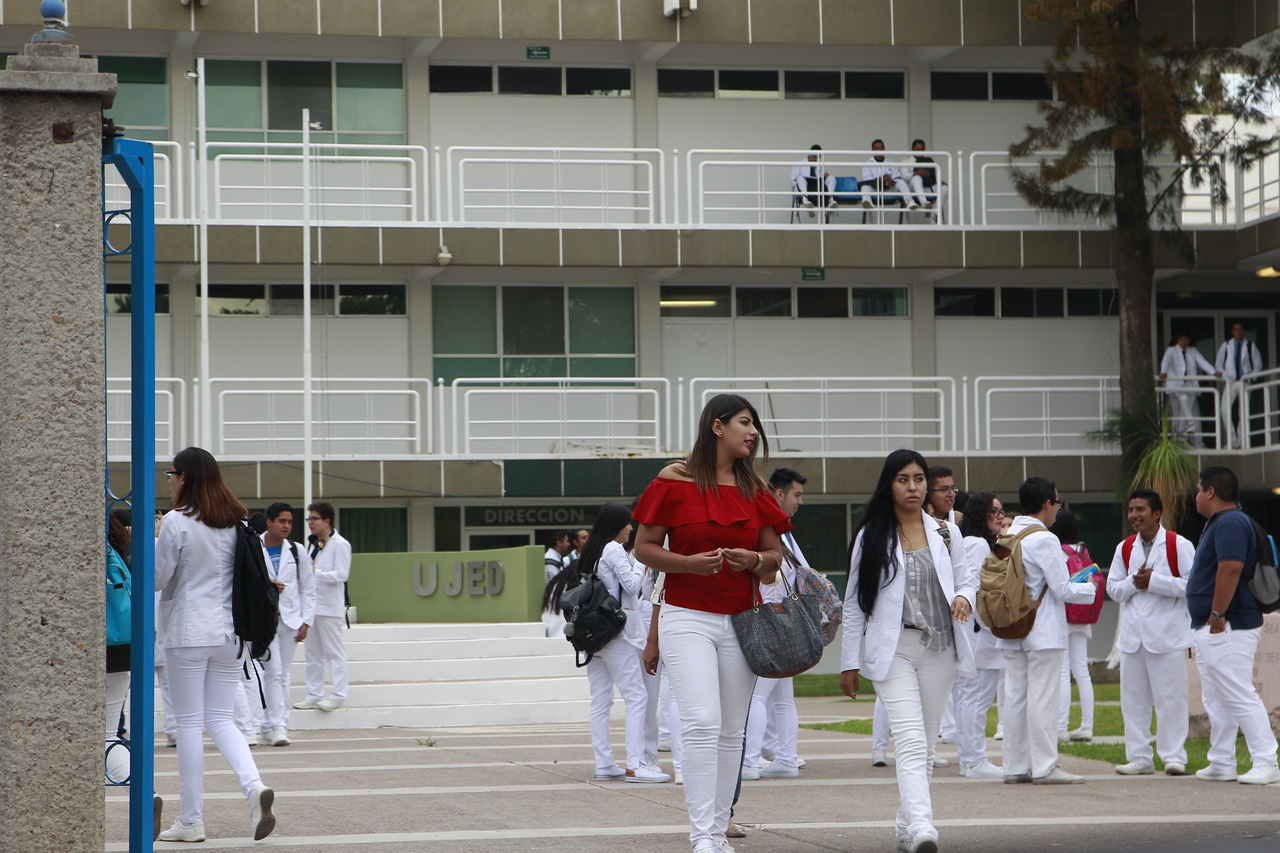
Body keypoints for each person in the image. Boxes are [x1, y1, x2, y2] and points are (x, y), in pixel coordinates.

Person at [632, 393, 789, 853]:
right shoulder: (673, 481)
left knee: (731, 731)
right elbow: (643, 547)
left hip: (742, 621)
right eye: (745, 422)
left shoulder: (756, 489)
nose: (753, 432)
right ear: (717, 427)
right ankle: (702, 836)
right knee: (702, 721)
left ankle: (718, 833)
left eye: (755, 424)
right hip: (686, 617)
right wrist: (687, 564)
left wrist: (754, 559)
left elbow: (774, 558)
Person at [840, 449, 975, 853]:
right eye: (903, 479)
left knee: (927, 745)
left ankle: (905, 826)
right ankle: (922, 828)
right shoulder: (871, 536)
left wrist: (964, 598)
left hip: (940, 648)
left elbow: (967, 579)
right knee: (912, 741)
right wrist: (849, 663)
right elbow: (854, 604)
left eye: (919, 479)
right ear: (889, 485)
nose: (912, 487)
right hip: (893, 647)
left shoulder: (946, 533)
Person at [155, 447, 276, 842]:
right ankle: (254, 787)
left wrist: (152, 541)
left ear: (185, 477)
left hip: (189, 632)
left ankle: (191, 820)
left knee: (189, 723)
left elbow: (157, 578)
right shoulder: (237, 522)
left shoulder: (177, 522)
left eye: (172, 474)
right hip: (231, 635)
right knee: (222, 719)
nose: (169, 481)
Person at [995, 477, 1099, 786]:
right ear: (1046, 504)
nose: (1057, 509)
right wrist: (1090, 588)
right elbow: (1062, 588)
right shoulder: (1044, 538)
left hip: (1011, 627)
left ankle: (1015, 766)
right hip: (1041, 630)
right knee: (1043, 698)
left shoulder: (1007, 533)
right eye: (1056, 503)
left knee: (1015, 698)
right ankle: (1044, 766)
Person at [1187, 466, 1280, 785]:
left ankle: (1266, 760)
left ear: (1211, 491)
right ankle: (1222, 760)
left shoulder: (1230, 522)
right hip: (1216, 624)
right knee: (1217, 696)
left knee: (1238, 692)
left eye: (1199, 490)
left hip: (1229, 624)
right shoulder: (1220, 522)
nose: (1196, 496)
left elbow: (1230, 568)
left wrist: (1217, 613)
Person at [578, 503, 670, 784]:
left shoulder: (592, 551)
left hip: (595, 635)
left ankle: (605, 763)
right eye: (629, 524)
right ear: (617, 525)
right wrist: (642, 559)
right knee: (637, 697)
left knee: (601, 701)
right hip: (619, 634)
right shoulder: (614, 549)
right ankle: (635, 765)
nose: (631, 529)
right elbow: (632, 586)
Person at [1105, 489, 1194, 776]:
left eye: (1140, 509)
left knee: (1171, 699)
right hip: (1133, 636)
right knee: (1133, 701)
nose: (1134, 515)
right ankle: (1139, 757)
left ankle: (1174, 755)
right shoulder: (1125, 548)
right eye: (1131, 509)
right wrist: (1134, 582)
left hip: (1167, 635)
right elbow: (1113, 589)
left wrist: (1155, 581)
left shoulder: (1178, 545)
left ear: (1157, 513)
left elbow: (1193, 586)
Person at [740, 467, 808, 781]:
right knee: (782, 698)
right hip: (786, 619)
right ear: (778, 494)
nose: (800, 501)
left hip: (769, 618)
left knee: (757, 695)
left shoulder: (773, 534)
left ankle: (750, 761)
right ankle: (787, 758)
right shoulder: (783, 536)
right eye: (797, 495)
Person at [954, 492, 1007, 780]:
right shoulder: (977, 544)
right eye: (994, 512)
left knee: (969, 697)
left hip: (974, 631)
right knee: (976, 697)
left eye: (1001, 512)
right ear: (980, 515)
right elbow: (975, 589)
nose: (1000, 517)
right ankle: (974, 760)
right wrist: (990, 626)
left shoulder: (972, 542)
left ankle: (970, 759)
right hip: (979, 632)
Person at [259, 503, 315, 747]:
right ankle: (276, 726)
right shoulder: (255, 545)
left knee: (282, 673)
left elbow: (309, 587)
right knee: (273, 671)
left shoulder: (296, 550)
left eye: (290, 522)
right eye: (282, 521)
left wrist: (306, 620)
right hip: (265, 620)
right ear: (269, 522)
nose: (286, 526)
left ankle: (275, 725)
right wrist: (267, 586)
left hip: (291, 620)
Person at [296, 502, 351, 713]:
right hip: (312, 607)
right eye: (308, 519)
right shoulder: (313, 544)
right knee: (313, 653)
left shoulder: (340, 544)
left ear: (326, 521)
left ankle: (338, 695)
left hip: (329, 607)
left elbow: (342, 574)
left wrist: (315, 573)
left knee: (334, 652)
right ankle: (314, 694)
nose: (310, 523)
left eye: (314, 519)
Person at [1049, 508, 1095, 743]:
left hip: (1064, 615)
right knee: (1082, 671)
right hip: (1082, 617)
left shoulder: (1058, 552)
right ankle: (1087, 726)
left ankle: (1061, 728)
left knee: (1063, 671)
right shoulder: (1082, 551)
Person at [1159, 333, 1221, 447]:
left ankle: (1197, 444)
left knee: (1193, 415)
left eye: (1186, 340)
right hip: (1176, 386)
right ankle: (1178, 442)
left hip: (1190, 385)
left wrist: (1213, 372)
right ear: (1178, 340)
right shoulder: (1171, 350)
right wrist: (1163, 372)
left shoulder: (1192, 351)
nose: (1184, 342)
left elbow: (1202, 362)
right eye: (1181, 339)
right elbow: (1166, 361)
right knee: (1179, 413)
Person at [1215, 323, 1265, 446]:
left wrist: (1250, 378)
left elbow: (1258, 365)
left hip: (1244, 381)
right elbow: (1218, 364)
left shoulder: (1250, 346)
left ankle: (1242, 441)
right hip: (1230, 382)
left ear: (1244, 331)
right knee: (1224, 411)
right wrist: (1225, 377)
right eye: (1236, 330)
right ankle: (1233, 441)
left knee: (1243, 412)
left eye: (1241, 329)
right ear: (1232, 332)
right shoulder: (1226, 345)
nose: (1239, 332)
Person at [860, 139, 915, 210]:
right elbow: (867, 180)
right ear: (873, 150)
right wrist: (881, 179)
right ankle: (868, 203)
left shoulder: (890, 163)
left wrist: (892, 181)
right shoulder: (867, 164)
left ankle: (910, 202)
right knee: (864, 187)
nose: (880, 150)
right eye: (877, 148)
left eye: (882, 147)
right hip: (875, 191)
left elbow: (897, 177)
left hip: (889, 190)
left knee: (901, 182)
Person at [790, 144, 837, 220]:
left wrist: (824, 176)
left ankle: (830, 201)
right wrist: (800, 183)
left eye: (817, 157)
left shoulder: (822, 165)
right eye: (814, 156)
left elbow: (823, 181)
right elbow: (793, 181)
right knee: (800, 178)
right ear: (810, 154)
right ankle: (806, 202)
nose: (815, 159)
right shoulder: (800, 164)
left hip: (817, 187)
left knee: (831, 178)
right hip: (805, 188)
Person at [907, 139, 949, 222]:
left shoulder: (928, 160)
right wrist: (917, 173)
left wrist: (938, 181)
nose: (920, 151)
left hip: (927, 187)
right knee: (917, 178)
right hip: (912, 189)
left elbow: (932, 176)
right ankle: (925, 204)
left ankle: (934, 213)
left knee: (945, 188)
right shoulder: (906, 162)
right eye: (917, 149)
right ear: (912, 149)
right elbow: (905, 177)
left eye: (922, 149)